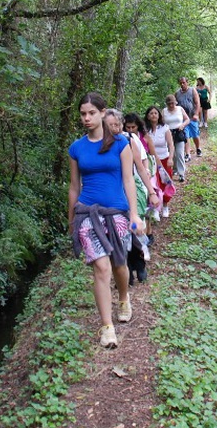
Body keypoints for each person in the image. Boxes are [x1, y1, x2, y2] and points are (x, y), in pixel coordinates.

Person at [68, 92, 144, 348]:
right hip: (88, 214)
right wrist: (71, 220)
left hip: (117, 213)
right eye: (82, 113)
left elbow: (128, 180)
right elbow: (73, 187)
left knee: (119, 264)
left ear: (102, 113)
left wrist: (134, 213)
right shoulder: (76, 147)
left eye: (91, 113)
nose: (86, 118)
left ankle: (124, 297)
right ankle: (107, 326)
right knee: (101, 268)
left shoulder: (121, 144)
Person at [104, 108, 156, 262]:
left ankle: (141, 247)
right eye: (111, 125)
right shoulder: (99, 143)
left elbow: (140, 166)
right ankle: (125, 253)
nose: (115, 128)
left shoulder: (129, 140)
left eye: (118, 124)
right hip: (113, 189)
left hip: (133, 184)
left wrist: (151, 192)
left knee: (137, 217)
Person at [144, 104, 176, 217]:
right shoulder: (145, 130)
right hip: (151, 161)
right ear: (147, 116)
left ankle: (166, 205)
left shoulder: (164, 128)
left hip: (165, 159)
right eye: (151, 113)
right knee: (154, 184)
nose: (153, 115)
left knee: (166, 182)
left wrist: (171, 158)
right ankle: (156, 208)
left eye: (155, 113)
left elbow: (171, 145)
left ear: (159, 115)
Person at [163, 93, 190, 183]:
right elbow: (161, 123)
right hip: (168, 133)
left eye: (173, 103)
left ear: (176, 102)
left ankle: (181, 173)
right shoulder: (164, 111)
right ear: (166, 104)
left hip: (179, 132)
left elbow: (187, 119)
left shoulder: (180, 109)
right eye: (169, 103)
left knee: (179, 153)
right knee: (171, 153)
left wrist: (182, 125)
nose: (171, 105)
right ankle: (174, 169)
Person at [176, 77, 203, 158]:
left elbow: (197, 103)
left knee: (195, 134)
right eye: (180, 83)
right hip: (183, 119)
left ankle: (198, 148)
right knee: (185, 135)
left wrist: (196, 114)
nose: (182, 84)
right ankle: (187, 154)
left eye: (184, 82)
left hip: (192, 117)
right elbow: (175, 104)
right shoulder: (177, 93)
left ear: (187, 82)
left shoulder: (192, 90)